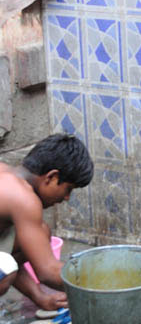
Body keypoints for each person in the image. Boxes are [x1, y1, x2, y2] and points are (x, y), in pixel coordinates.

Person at [0, 134, 92, 313]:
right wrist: (103, 282)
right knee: (4, 272)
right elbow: (48, 272)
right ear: (51, 177)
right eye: (68, 189)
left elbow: (13, 255)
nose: (66, 198)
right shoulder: (23, 199)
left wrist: (39, 297)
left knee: (39, 234)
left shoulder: (6, 173)